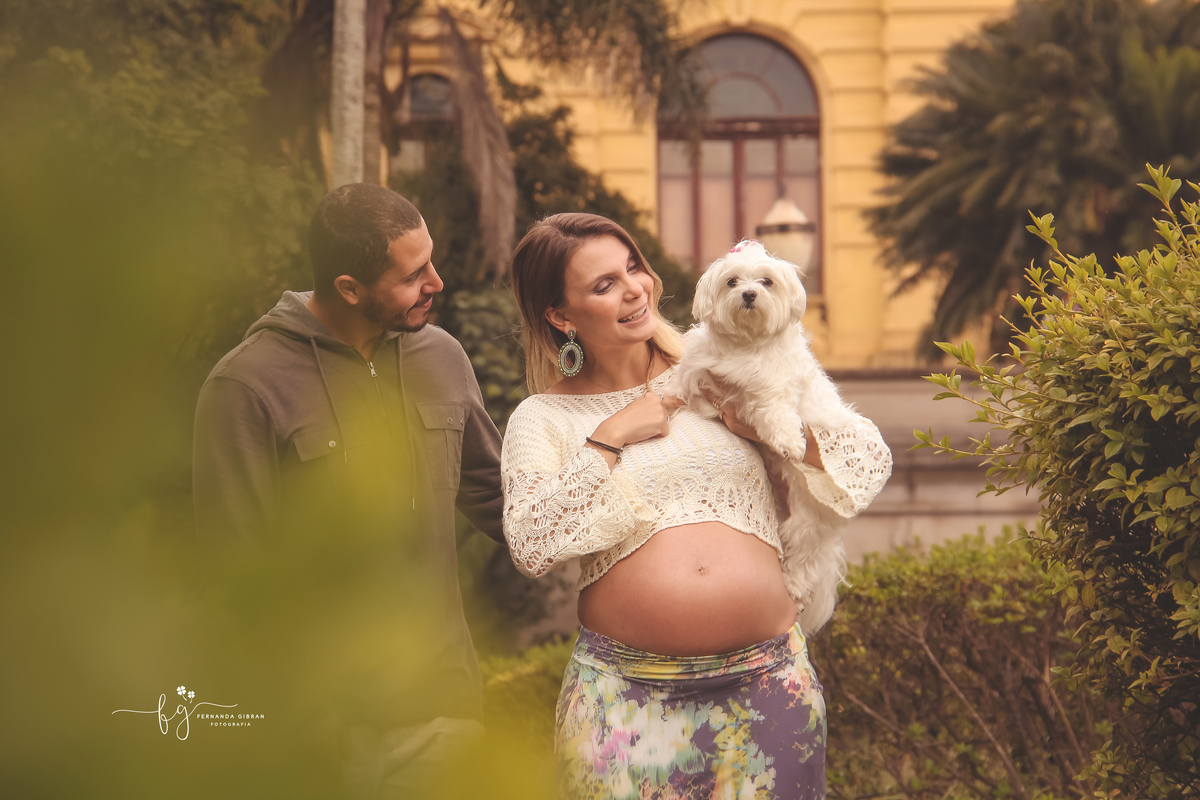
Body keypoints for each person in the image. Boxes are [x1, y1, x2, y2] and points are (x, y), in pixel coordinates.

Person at [501, 213, 892, 799]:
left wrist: (764, 430)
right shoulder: (542, 419)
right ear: (561, 316)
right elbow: (531, 543)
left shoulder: (724, 363)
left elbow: (868, 460)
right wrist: (608, 437)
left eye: (633, 268)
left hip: (768, 688)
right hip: (625, 701)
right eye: (604, 285)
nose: (634, 289)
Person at [192, 183, 504, 798]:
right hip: (314, 734)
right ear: (349, 288)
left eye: (430, 262)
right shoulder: (245, 386)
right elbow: (233, 577)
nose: (436, 283)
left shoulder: (441, 356)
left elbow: (505, 504)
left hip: (443, 714)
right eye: (413, 276)